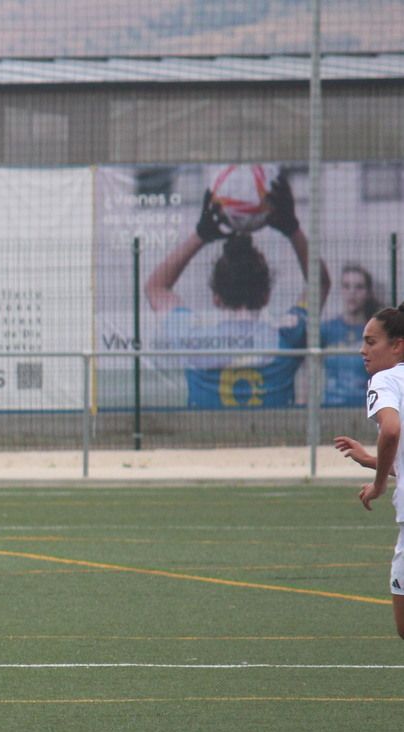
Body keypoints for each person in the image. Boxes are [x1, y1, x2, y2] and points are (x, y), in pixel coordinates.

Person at [145, 173, 329, 408]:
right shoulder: (288, 336)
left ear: (216, 299)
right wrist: (292, 229)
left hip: (209, 443)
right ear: (266, 296)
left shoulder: (192, 337)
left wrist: (201, 234)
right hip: (274, 443)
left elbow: (155, 288)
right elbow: (320, 283)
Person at [334, 305, 404, 638]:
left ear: (398, 346)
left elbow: (390, 430)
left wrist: (378, 484)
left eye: (370, 341)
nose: (363, 350)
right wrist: (374, 460)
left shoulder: (386, 379)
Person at [320, 265, 382, 406]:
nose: (352, 293)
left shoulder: (377, 334)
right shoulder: (327, 330)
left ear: (368, 293)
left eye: (359, 287)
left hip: (364, 410)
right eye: (346, 286)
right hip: (329, 409)